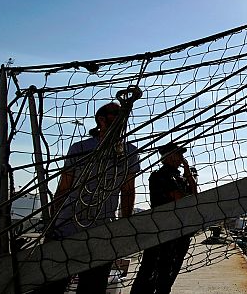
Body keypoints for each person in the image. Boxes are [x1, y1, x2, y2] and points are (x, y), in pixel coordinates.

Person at [40, 102, 140, 294]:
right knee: (52, 284)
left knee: (93, 287)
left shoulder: (130, 151)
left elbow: (128, 191)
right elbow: (63, 188)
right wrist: (52, 224)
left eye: (123, 115)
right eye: (116, 114)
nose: (121, 118)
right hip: (67, 227)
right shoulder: (80, 148)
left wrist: (123, 226)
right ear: (101, 120)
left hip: (103, 231)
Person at [131, 143, 197, 294]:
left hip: (179, 234)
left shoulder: (180, 177)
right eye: (179, 154)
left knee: (168, 276)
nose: (182, 158)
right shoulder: (159, 175)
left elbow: (194, 197)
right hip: (162, 232)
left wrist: (188, 174)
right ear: (169, 156)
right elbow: (182, 199)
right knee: (149, 273)